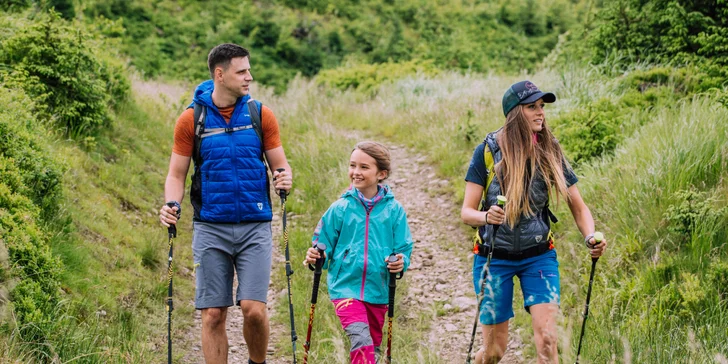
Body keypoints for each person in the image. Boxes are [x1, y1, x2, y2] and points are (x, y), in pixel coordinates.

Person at [158, 43, 292, 364]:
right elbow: (176, 174)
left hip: (254, 226)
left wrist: (284, 177)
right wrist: (170, 204)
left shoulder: (260, 114)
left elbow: (280, 165)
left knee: (254, 310)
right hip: (210, 228)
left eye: (248, 70)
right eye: (241, 71)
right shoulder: (192, 120)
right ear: (220, 75)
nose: (249, 77)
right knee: (213, 315)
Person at [460, 80, 608, 363]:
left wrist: (591, 236)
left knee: (548, 342)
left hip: (539, 257)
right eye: (532, 107)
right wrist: (486, 216)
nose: (540, 112)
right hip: (494, 258)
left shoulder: (549, 150)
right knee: (493, 352)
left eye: (541, 106)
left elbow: (578, 207)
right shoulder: (488, 151)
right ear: (515, 113)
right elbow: (467, 212)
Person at [304, 141, 414, 364]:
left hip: (379, 290)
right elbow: (321, 245)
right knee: (361, 341)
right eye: (353, 165)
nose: (356, 172)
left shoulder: (394, 211)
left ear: (381, 174)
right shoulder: (340, 208)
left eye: (364, 167)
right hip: (345, 288)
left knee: (372, 349)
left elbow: (403, 248)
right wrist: (316, 257)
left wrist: (401, 262)